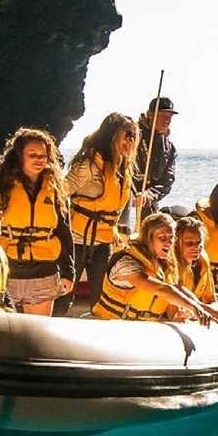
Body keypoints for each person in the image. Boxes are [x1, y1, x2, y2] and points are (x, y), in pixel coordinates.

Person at [92, 213, 218, 336]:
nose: (168, 242)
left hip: (143, 330)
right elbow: (161, 289)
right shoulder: (126, 263)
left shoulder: (165, 267)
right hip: (113, 328)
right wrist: (193, 308)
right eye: (162, 237)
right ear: (149, 239)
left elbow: (190, 298)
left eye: (171, 238)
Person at [57, 112, 138, 314]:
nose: (131, 140)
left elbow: (113, 209)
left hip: (103, 243)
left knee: (101, 299)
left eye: (134, 136)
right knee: (64, 297)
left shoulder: (123, 169)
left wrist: (116, 233)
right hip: (76, 241)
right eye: (127, 134)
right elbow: (60, 193)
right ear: (112, 135)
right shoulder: (88, 165)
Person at [0, 127, 74, 316]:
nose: (39, 159)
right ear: (20, 156)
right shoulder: (2, 186)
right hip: (8, 270)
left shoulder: (55, 189)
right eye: (33, 155)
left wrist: (68, 272)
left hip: (43, 273)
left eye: (43, 155)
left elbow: (63, 232)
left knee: (37, 331)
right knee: (7, 333)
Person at [132, 97, 178, 221]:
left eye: (170, 116)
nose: (167, 120)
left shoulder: (169, 148)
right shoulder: (131, 135)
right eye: (163, 115)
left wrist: (148, 196)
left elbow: (166, 181)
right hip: (123, 200)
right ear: (150, 115)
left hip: (147, 204)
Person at [174, 216, 216, 305]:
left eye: (199, 243)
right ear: (176, 242)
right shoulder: (170, 267)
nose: (196, 248)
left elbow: (210, 299)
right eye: (189, 243)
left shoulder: (202, 262)